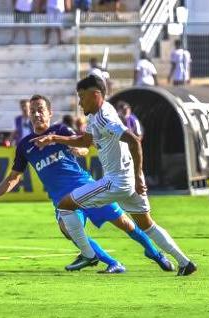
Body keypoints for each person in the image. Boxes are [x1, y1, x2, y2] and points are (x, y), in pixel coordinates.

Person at [0, 94, 173, 274]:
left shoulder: (60, 130)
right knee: (69, 231)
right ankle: (112, 262)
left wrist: (78, 150)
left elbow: (85, 147)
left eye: (40, 110)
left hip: (88, 189)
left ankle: (155, 254)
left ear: (49, 113)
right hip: (63, 200)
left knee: (126, 224)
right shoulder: (25, 145)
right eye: (32, 111)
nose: (36, 114)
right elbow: (13, 177)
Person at [33, 76, 197, 275]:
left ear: (95, 95)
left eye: (82, 97)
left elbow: (134, 141)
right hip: (127, 182)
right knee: (147, 225)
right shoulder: (97, 115)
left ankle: (89, 255)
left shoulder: (105, 119)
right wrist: (54, 138)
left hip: (117, 181)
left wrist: (137, 176)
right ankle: (184, 262)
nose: (79, 102)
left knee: (65, 206)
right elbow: (85, 142)